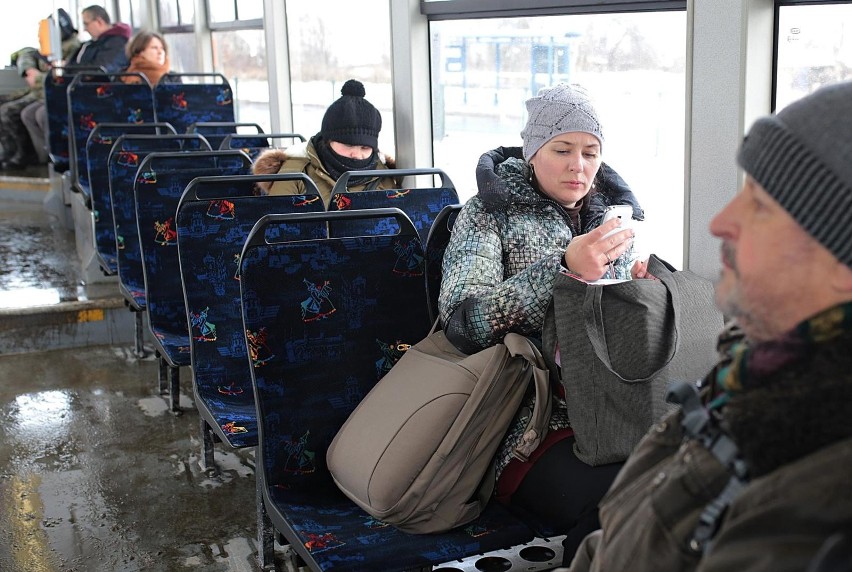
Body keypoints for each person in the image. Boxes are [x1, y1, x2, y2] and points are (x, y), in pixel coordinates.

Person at [563, 81, 852, 572]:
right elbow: (621, 542)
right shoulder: (749, 371)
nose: (720, 222)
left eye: (761, 205)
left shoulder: (815, 510)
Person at [438, 83, 650, 562]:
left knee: (692, 479)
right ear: (533, 152)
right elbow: (463, 324)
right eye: (562, 150)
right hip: (526, 425)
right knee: (629, 501)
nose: (579, 165)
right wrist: (562, 271)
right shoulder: (487, 214)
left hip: (613, 411)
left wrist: (646, 291)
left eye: (590, 152)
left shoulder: (612, 221)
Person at [251, 79, 400, 206]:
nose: (356, 154)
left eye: (365, 147)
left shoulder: (383, 177)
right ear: (328, 142)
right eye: (348, 145)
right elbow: (279, 230)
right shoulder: (296, 174)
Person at [20, 6, 130, 169]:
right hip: (74, 90)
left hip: (95, 95)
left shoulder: (117, 43)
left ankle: (65, 159)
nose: (84, 29)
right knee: (28, 113)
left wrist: (70, 69)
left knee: (44, 114)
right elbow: (78, 65)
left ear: (99, 21)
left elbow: (102, 69)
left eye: (86, 23)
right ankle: (47, 159)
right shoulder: (90, 44)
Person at [0, 10, 80, 169]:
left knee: (9, 111)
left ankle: (24, 154)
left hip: (45, 94)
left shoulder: (72, 48)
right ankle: (10, 151)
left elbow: (58, 77)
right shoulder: (51, 46)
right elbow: (27, 54)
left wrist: (37, 78)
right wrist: (28, 69)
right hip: (37, 92)